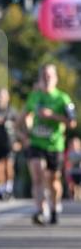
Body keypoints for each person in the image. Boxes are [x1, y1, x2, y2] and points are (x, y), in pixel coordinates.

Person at [18, 63, 77, 225]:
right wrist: (24, 135)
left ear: (55, 78)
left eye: (50, 75)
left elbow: (72, 123)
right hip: (36, 143)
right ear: (40, 78)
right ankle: (39, 209)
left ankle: (55, 205)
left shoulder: (62, 98)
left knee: (53, 181)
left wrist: (52, 116)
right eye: (44, 76)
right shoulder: (34, 97)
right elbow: (21, 119)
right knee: (37, 173)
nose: (47, 78)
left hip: (55, 145)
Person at [64, 136, 81, 201]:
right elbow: (66, 162)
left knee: (79, 185)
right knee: (71, 185)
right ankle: (72, 196)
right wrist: (66, 170)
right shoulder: (68, 153)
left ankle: (78, 196)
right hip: (71, 171)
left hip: (79, 171)